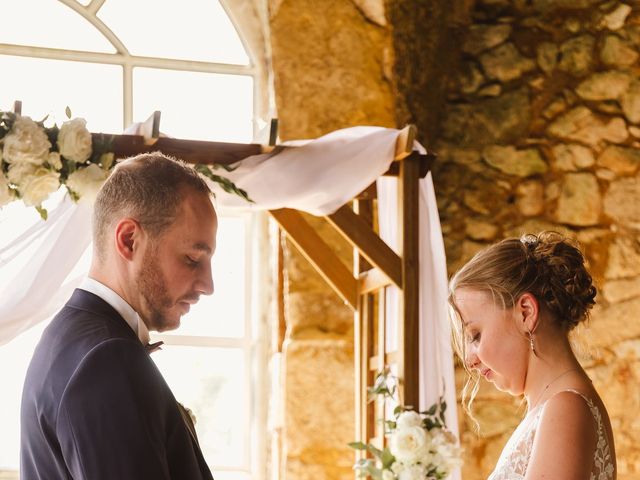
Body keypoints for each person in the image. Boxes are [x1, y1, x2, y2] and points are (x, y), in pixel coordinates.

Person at [20, 153, 217, 479]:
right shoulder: (105, 359)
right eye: (192, 259)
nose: (208, 285)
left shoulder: (72, 338)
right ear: (129, 240)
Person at [448, 232, 616, 479]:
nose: (469, 360)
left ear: (526, 312)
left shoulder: (565, 409)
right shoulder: (554, 408)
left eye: (475, 335)